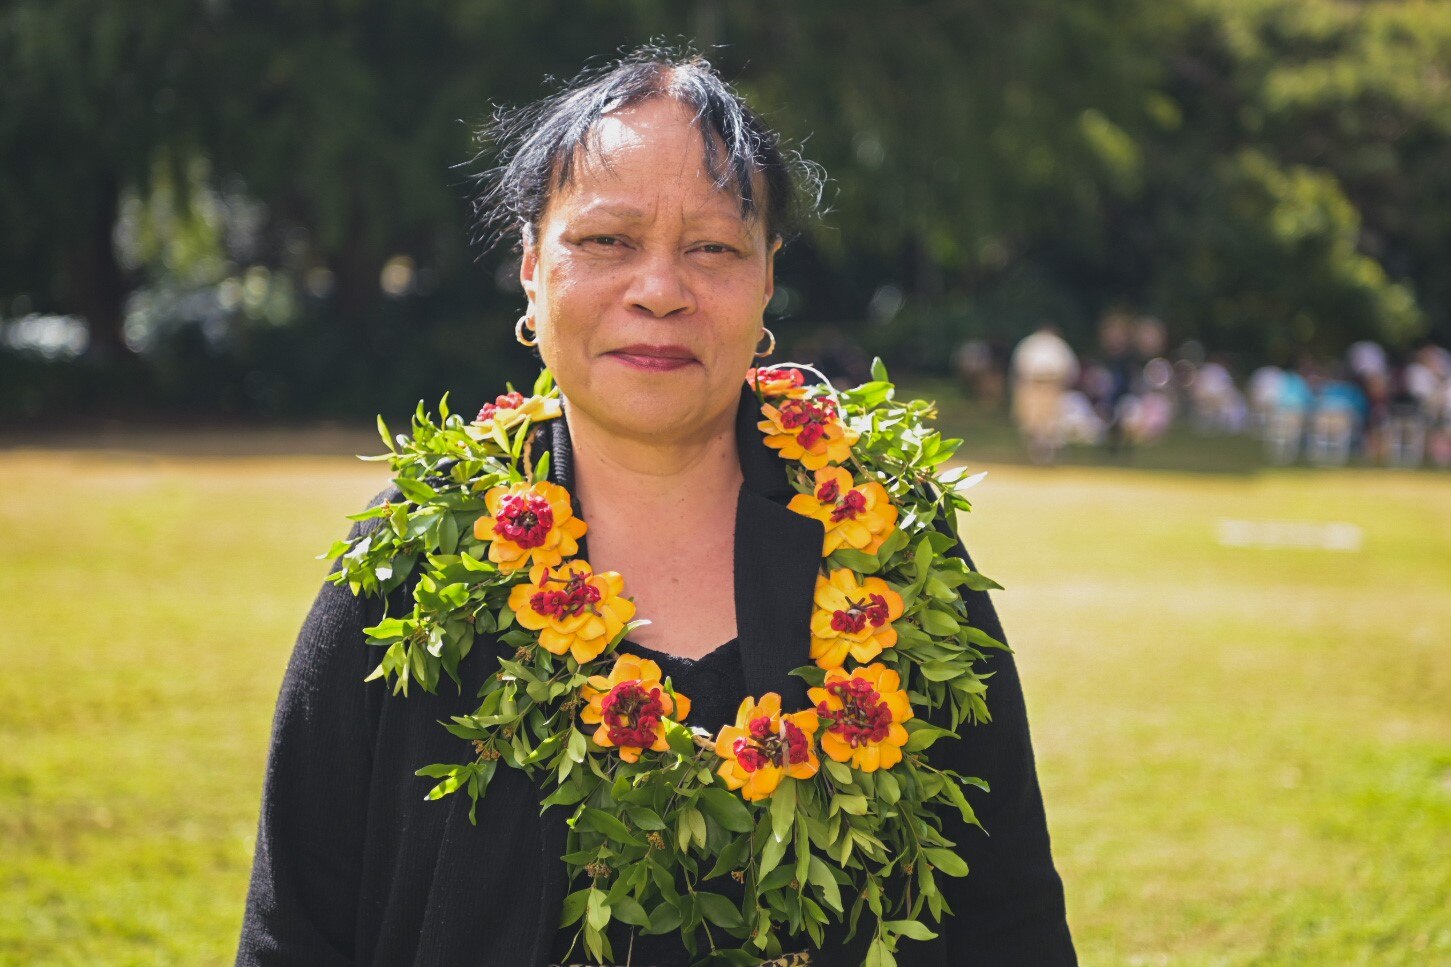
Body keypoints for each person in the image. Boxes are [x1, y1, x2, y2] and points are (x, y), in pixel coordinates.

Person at [236, 50, 1075, 967]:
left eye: (712, 247)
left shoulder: (887, 537)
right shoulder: (415, 553)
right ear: (530, 269)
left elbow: (1008, 918)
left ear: (766, 279)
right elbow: (296, 930)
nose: (660, 290)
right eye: (606, 241)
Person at [1010, 323, 1079, 464]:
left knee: (1051, 421)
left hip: (1052, 385)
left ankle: (1050, 452)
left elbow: (1070, 370)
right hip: (1032, 384)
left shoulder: (1058, 345)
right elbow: (1019, 368)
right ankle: (1036, 453)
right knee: (1032, 421)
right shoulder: (1030, 344)